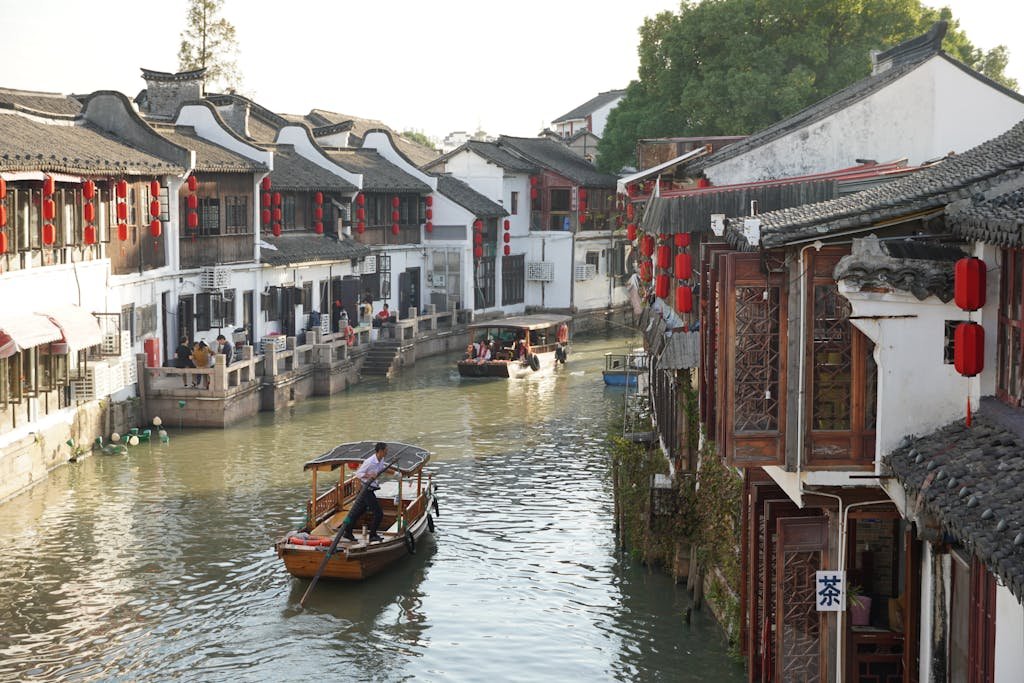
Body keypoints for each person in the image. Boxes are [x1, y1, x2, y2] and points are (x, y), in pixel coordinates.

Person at [338, 442, 393, 543]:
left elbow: (382, 468)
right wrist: (369, 475)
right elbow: (358, 474)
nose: (387, 452)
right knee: (378, 513)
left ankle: (348, 532)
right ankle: (372, 535)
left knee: (358, 512)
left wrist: (396, 473)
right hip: (366, 489)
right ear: (380, 451)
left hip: (370, 489)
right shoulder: (370, 461)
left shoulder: (381, 459)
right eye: (386, 451)